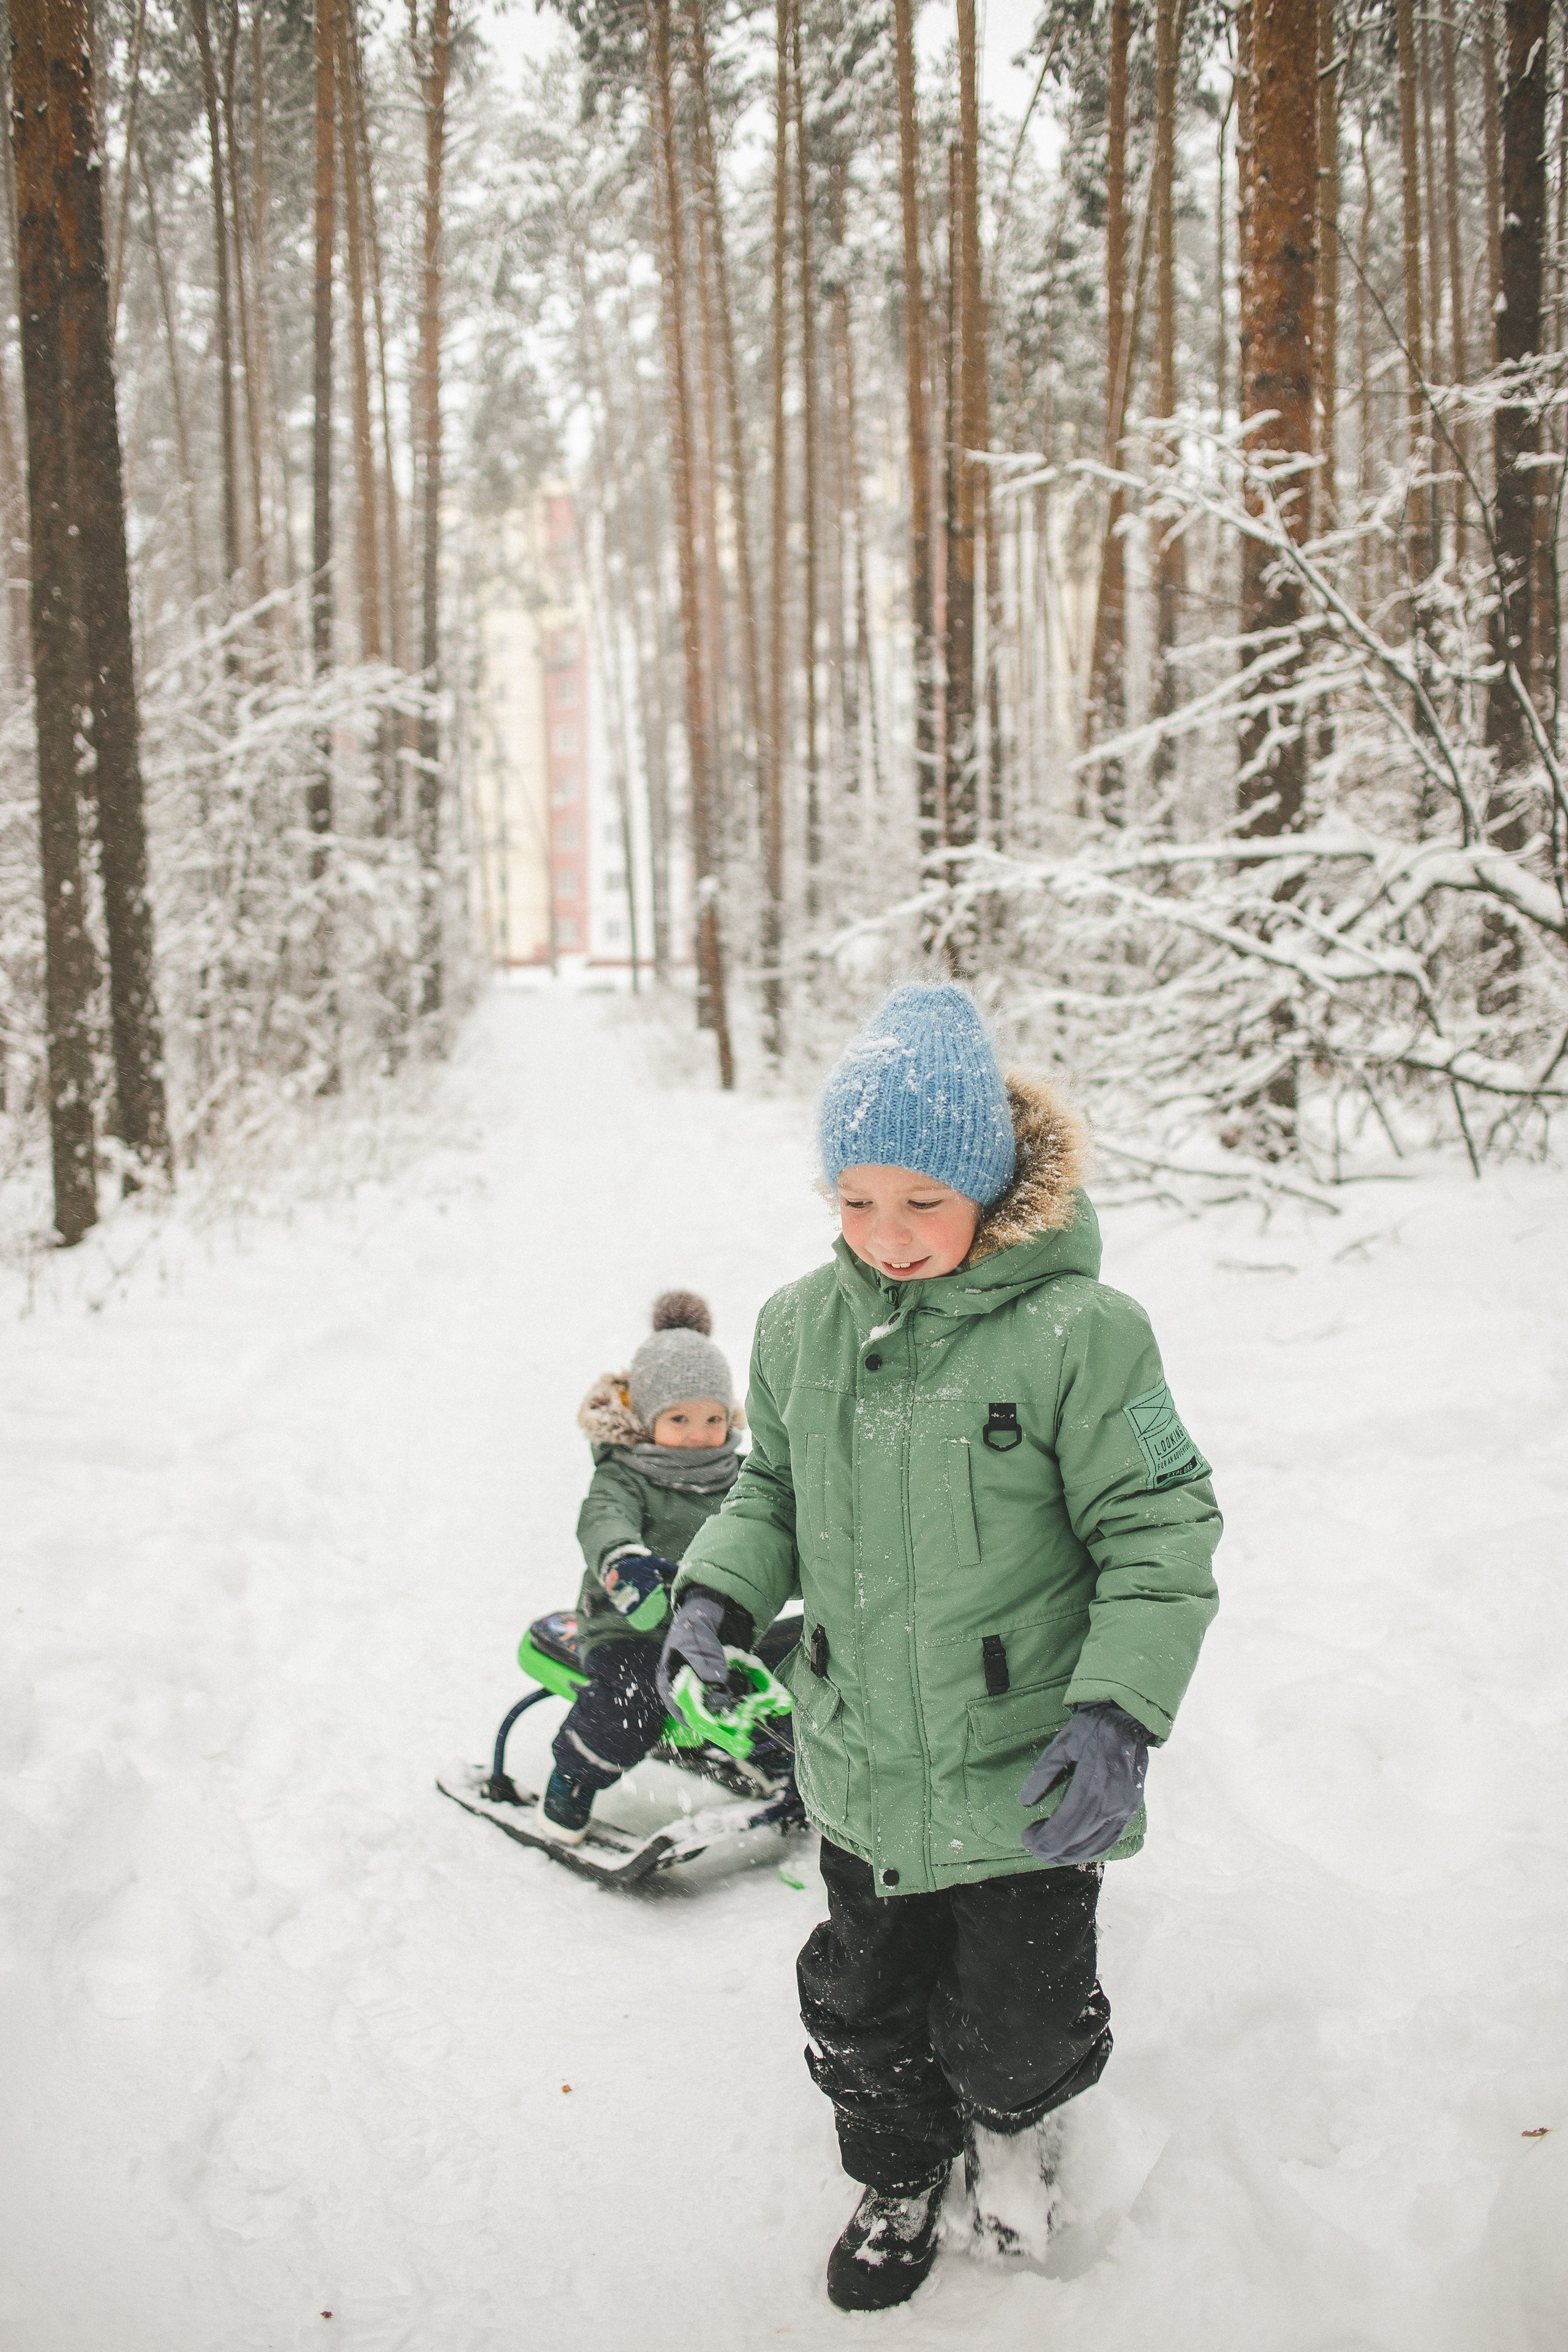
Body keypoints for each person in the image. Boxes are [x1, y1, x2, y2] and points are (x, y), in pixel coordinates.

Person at [660, 983, 1221, 2310]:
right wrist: (719, 1595)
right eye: (856, 1201)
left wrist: (1117, 1712)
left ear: (987, 1185)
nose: (886, 1236)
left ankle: (1014, 2124)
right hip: (859, 1762)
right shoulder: (802, 1330)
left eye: (921, 1201)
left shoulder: (1084, 1336)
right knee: (860, 2007)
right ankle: (899, 2168)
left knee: (1016, 2021)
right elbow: (770, 1494)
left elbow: (1162, 1521)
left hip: (1023, 1773)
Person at [538, 1291, 742, 1844]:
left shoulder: (743, 1475)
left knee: (807, 1665)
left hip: (721, 1623)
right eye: (679, 1418)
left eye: (713, 1418)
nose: (700, 1433)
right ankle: (574, 1781)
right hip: (634, 1623)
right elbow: (602, 1519)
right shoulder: (625, 1474)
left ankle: (780, 1762)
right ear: (647, 1419)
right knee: (636, 1695)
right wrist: (623, 1560)